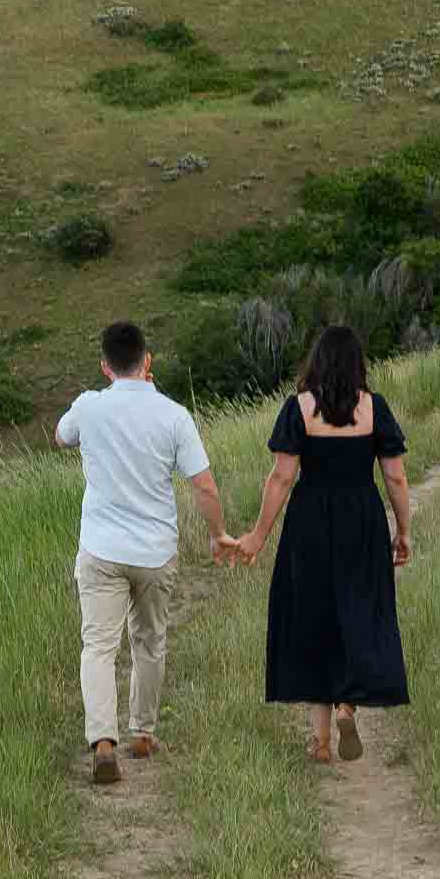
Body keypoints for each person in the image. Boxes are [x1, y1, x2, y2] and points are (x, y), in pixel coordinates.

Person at [222, 323, 411, 764]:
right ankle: (347, 704)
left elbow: (282, 478)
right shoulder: (374, 409)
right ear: (358, 365)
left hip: (309, 523)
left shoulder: (299, 408)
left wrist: (257, 536)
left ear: (317, 363)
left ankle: (321, 741)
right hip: (361, 521)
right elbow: (396, 477)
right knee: (360, 610)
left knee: (314, 618)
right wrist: (403, 531)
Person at [52, 320, 227, 785]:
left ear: (104, 365)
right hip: (154, 551)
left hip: (101, 549)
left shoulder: (89, 407)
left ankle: (102, 741)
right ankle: (143, 732)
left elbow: (60, 436)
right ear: (148, 360)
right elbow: (204, 485)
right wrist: (217, 534)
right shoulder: (174, 415)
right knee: (149, 641)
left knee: (99, 646)